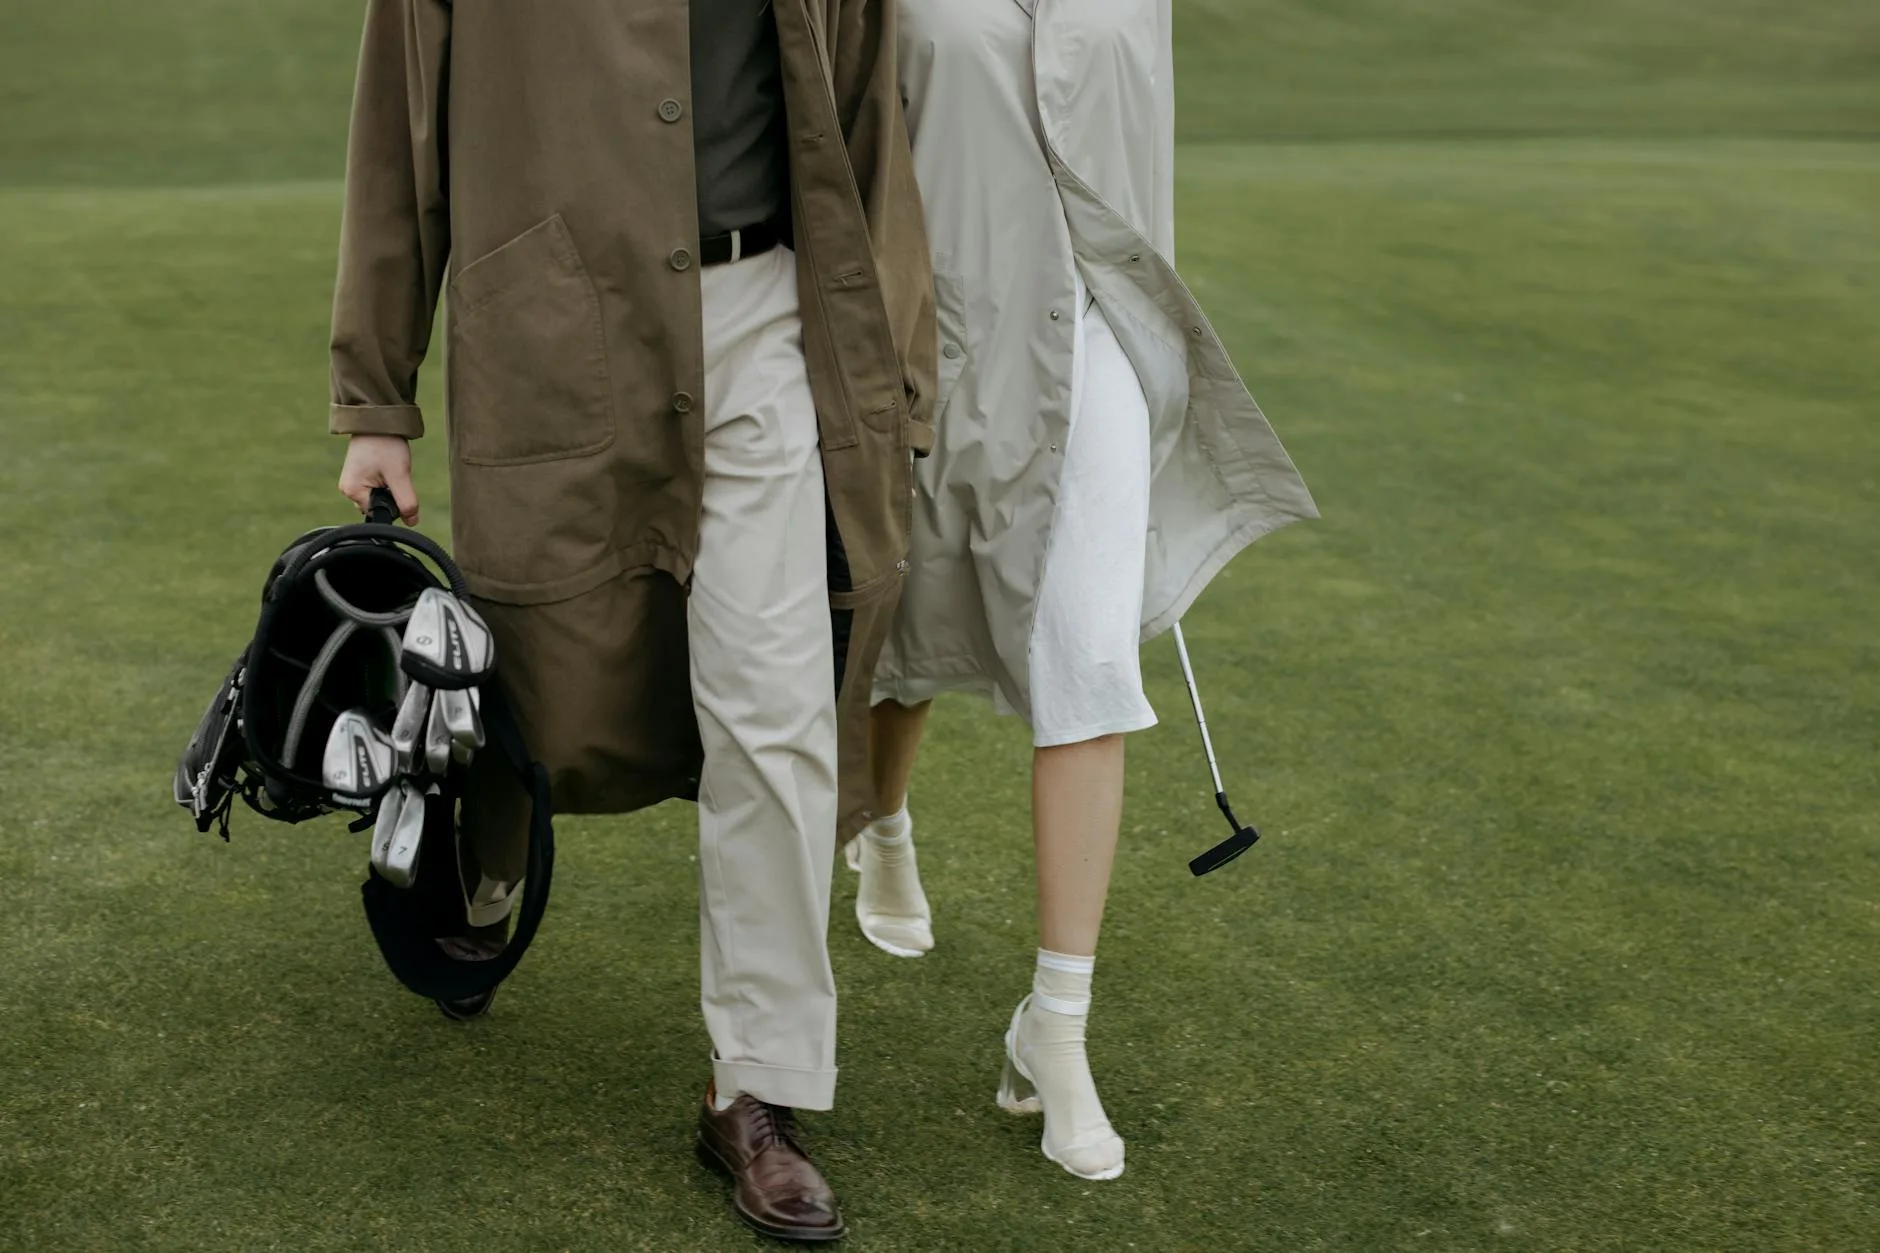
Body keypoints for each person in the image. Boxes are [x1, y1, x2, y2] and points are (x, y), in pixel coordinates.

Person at [328, 1, 934, 1241]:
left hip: (772, 315)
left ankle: (756, 1085)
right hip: (555, 321)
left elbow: (870, 116)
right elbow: (400, 125)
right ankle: (475, 876)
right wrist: (374, 393)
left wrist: (901, 380)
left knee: (775, 705)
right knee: (529, 675)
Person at [856, 0, 1317, 1181]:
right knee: (904, 633)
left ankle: (1052, 1030)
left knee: (1088, 667)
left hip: (1099, 345)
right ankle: (884, 826)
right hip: (939, 343)